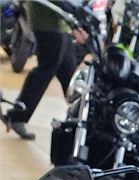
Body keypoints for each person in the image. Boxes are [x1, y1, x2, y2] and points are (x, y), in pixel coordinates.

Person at [2, 1, 88, 140]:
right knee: (47, 68)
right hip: (48, 21)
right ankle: (17, 115)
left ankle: (83, 117)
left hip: (60, 22)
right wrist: (70, 8)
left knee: (69, 72)